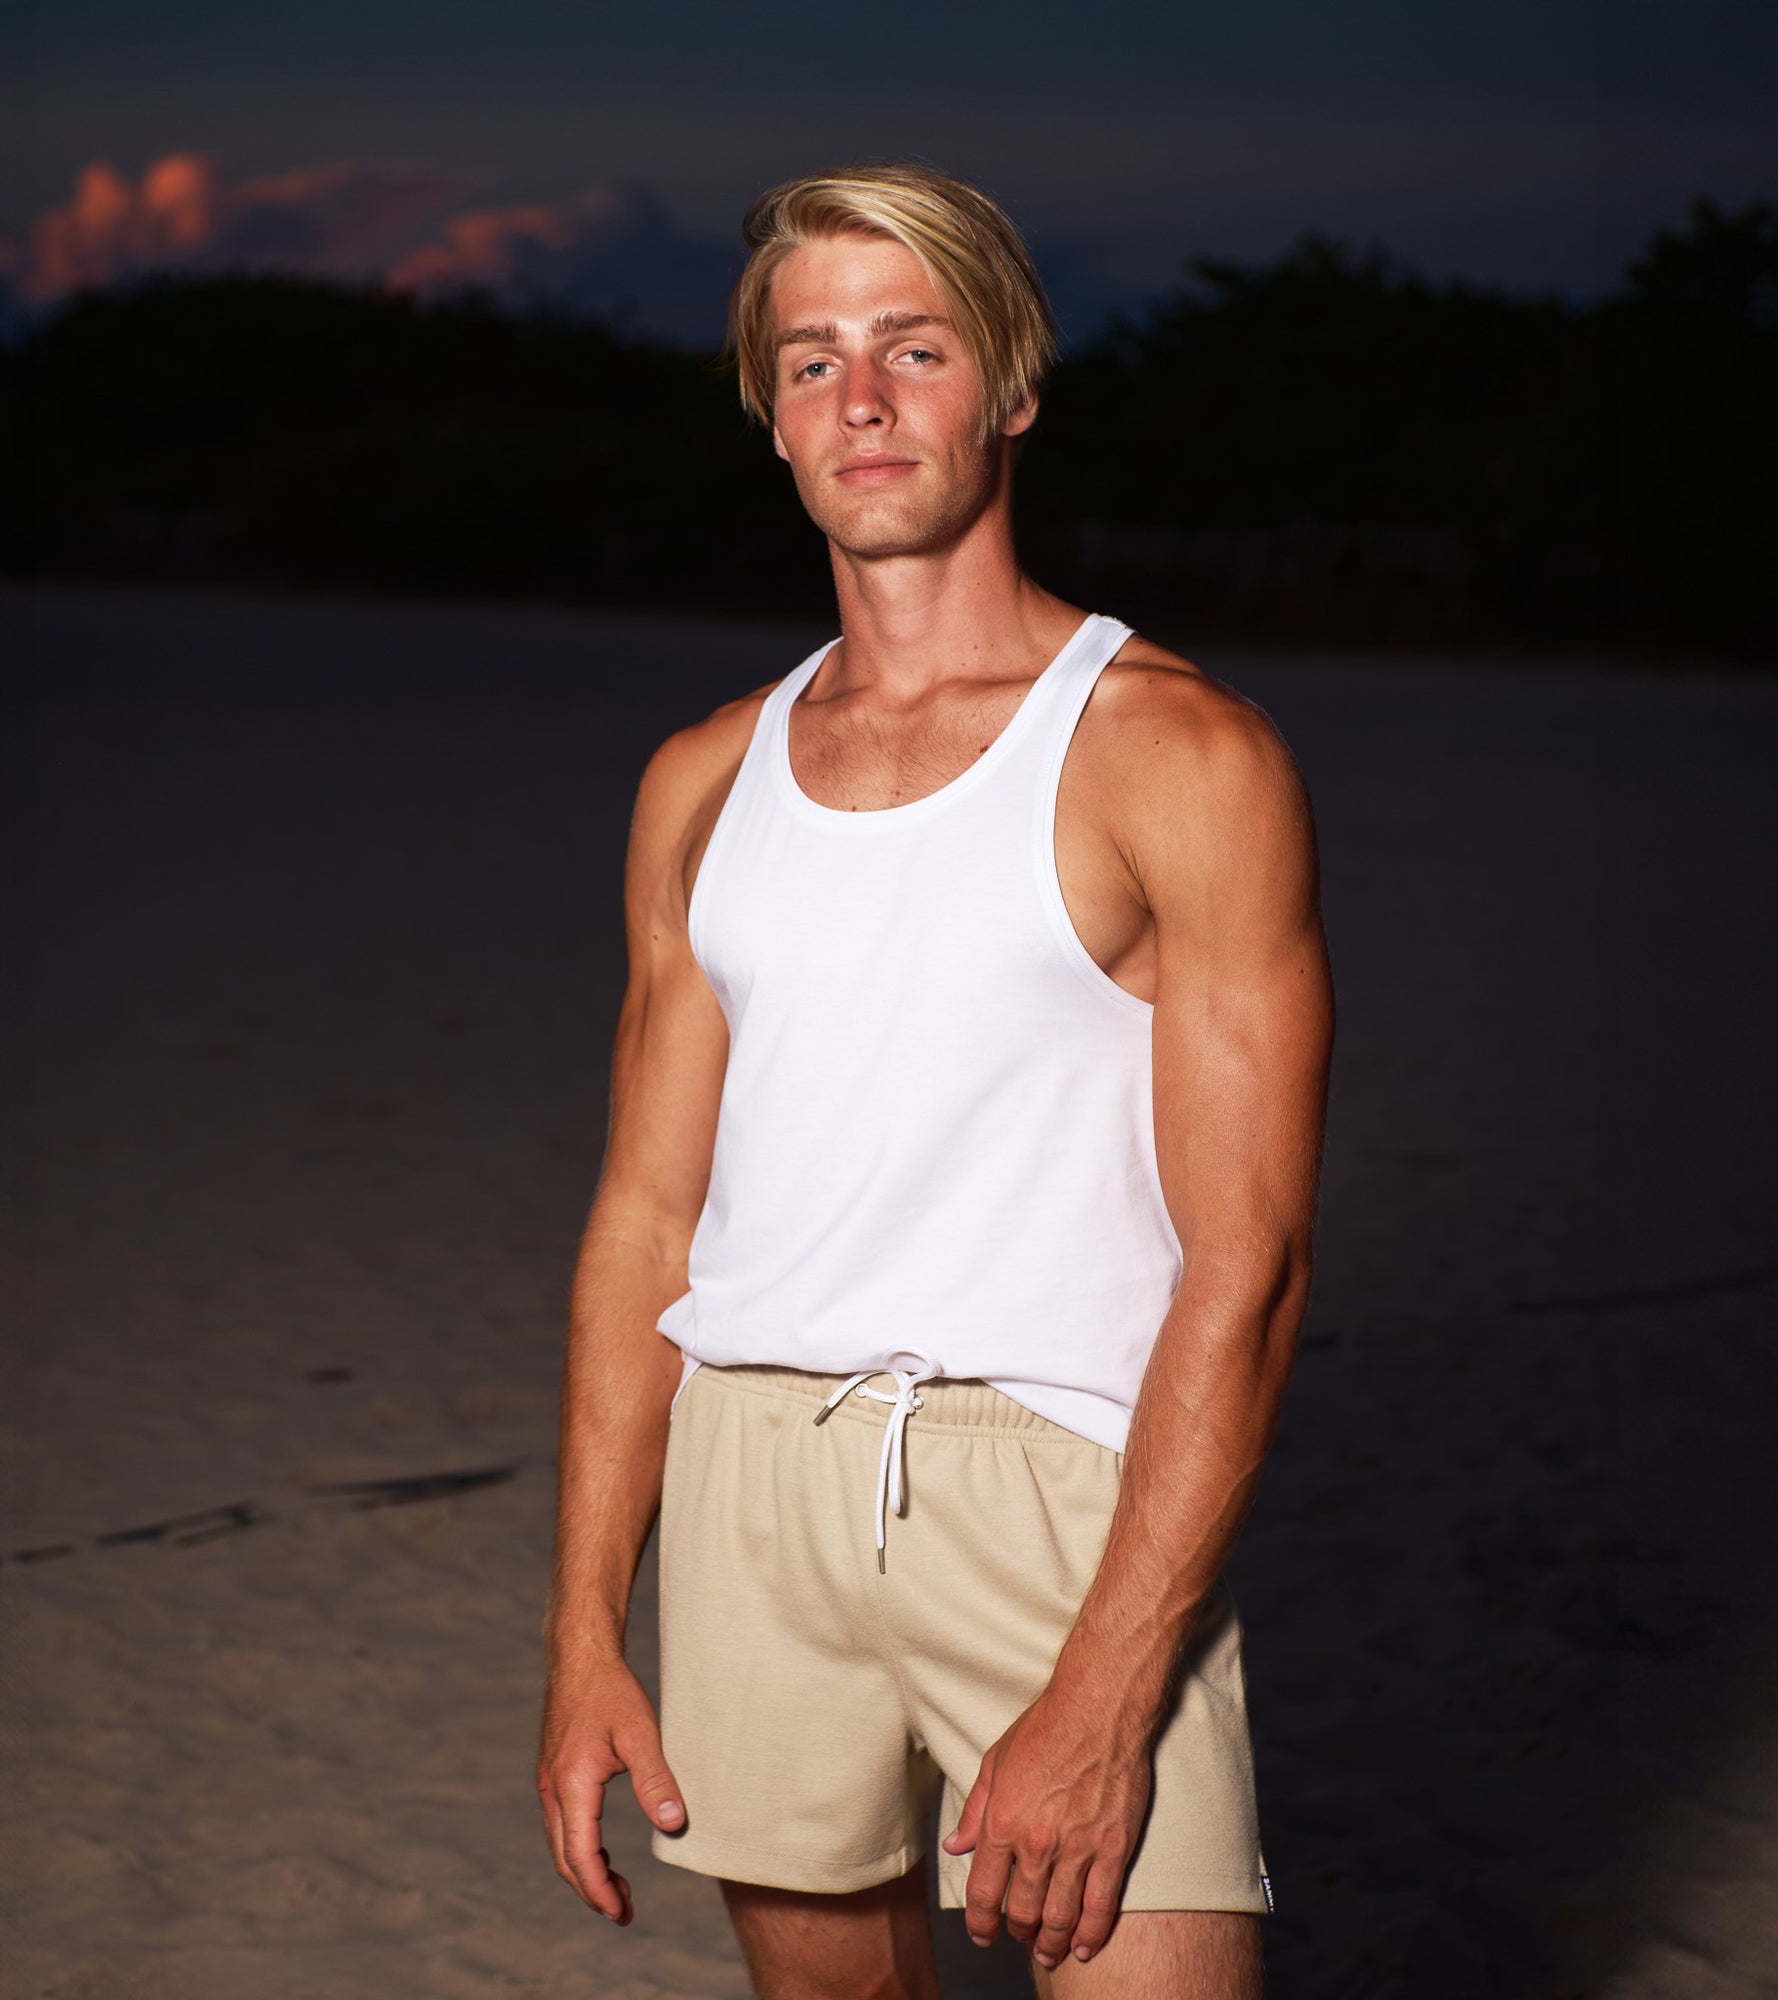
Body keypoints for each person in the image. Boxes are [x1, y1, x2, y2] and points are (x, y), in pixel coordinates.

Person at [537, 163, 1332, 2000]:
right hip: (752, 1481)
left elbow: (1254, 1258)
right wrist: (586, 1629)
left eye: (916, 346)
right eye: (812, 364)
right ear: (772, 417)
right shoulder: (700, 782)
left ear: (1014, 385)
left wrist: (1118, 1673)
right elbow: (646, 1221)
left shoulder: (1176, 754)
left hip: (1064, 1490)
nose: (865, 401)